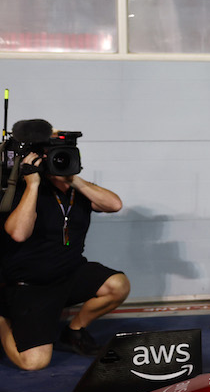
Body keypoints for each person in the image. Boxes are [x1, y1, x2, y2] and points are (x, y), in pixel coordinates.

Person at [0, 119, 129, 370]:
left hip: (69, 274)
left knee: (118, 285)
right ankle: (2, 318)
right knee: (34, 363)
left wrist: (74, 179)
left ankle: (74, 331)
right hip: (31, 285)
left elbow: (114, 204)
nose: (59, 161)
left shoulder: (76, 189)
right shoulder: (22, 188)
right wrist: (34, 185)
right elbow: (18, 233)